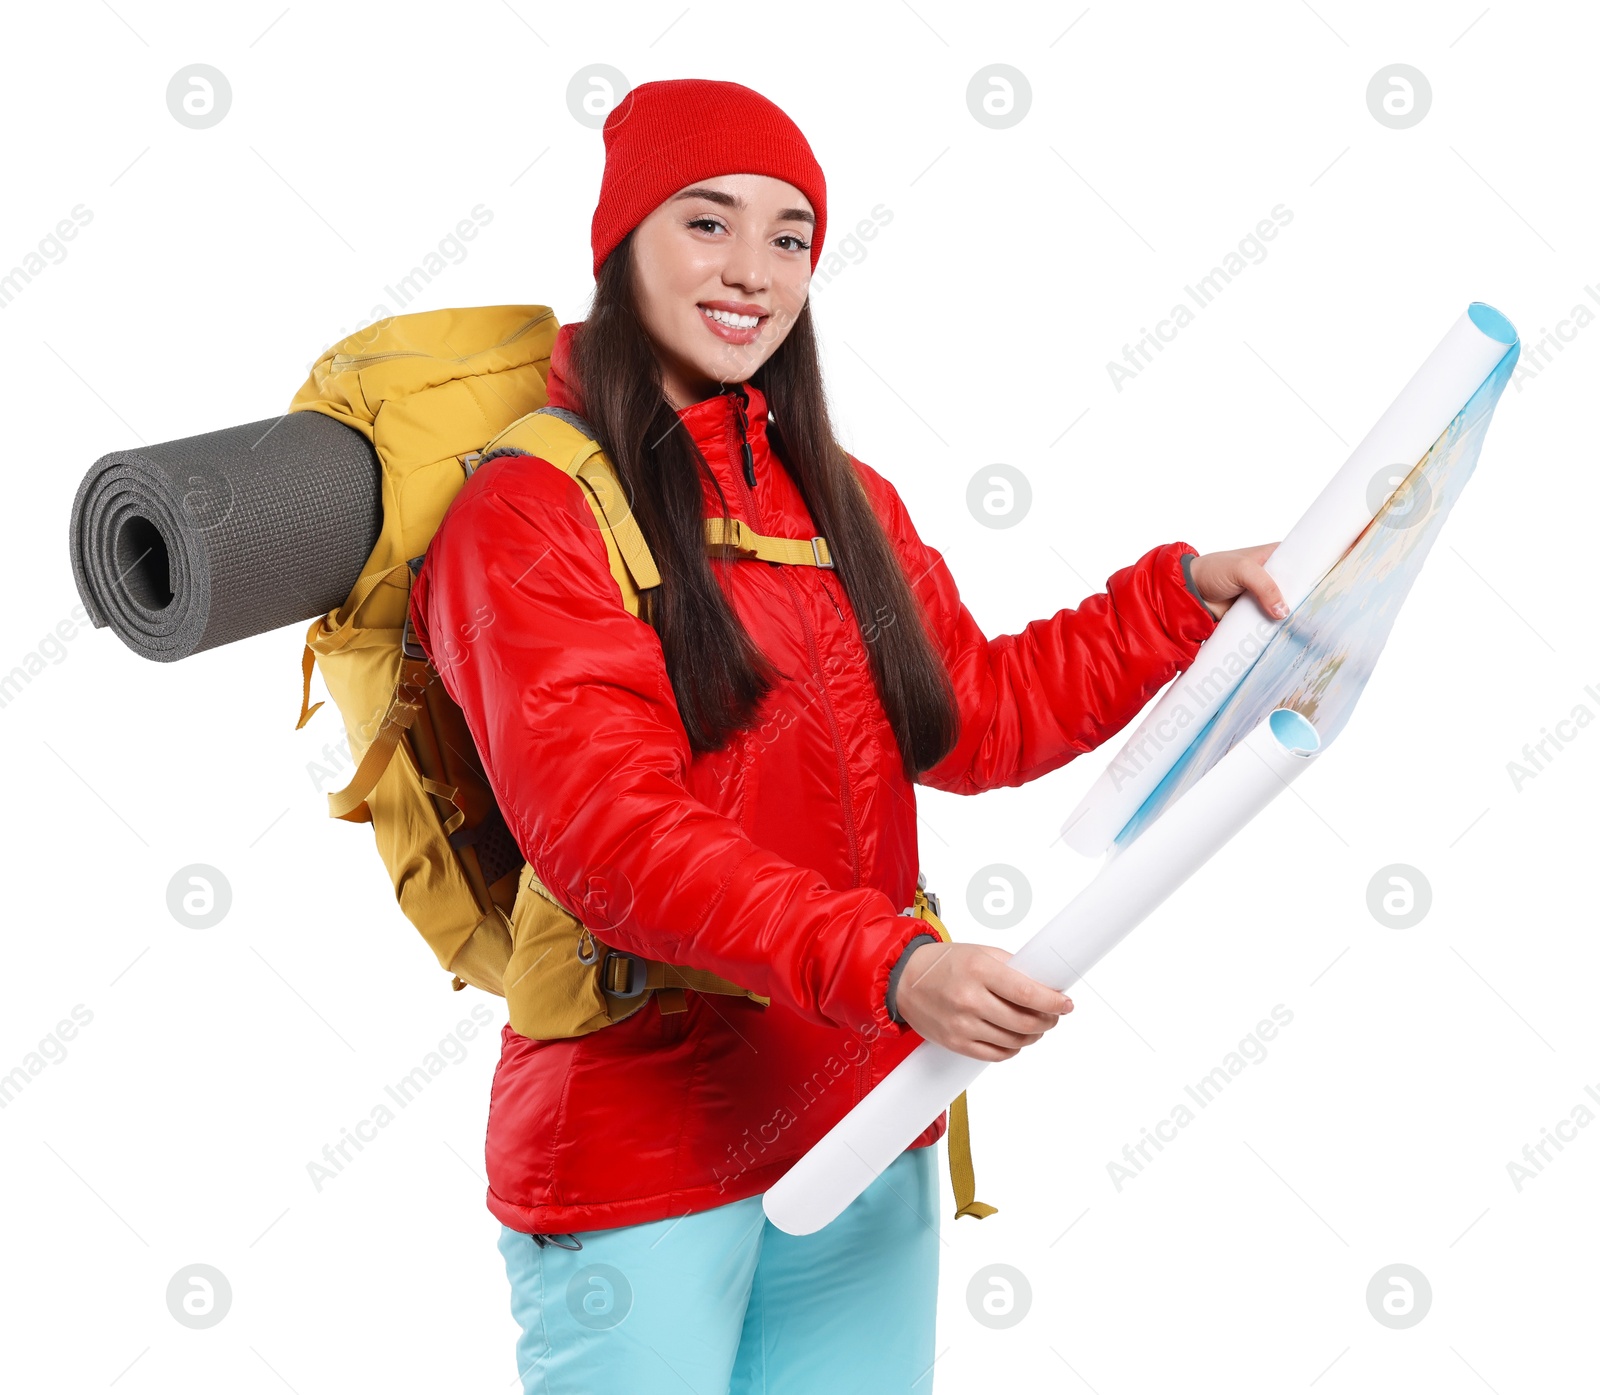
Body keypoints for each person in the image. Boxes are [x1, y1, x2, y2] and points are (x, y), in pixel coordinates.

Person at [409, 76, 1285, 1395]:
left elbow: (974, 715)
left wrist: (1176, 606)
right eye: (707, 224)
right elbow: (614, 845)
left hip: (865, 1127)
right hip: (638, 1160)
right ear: (621, 242)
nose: (750, 272)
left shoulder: (839, 495)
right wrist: (894, 969)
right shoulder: (527, 516)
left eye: (789, 235)